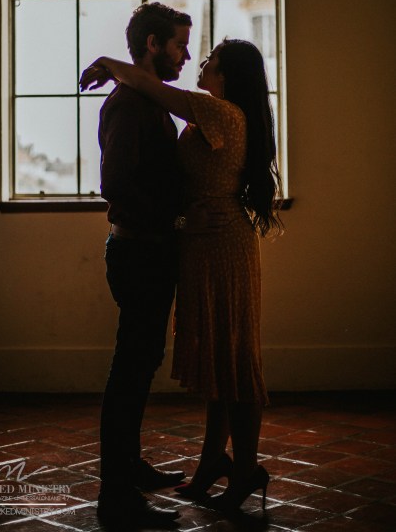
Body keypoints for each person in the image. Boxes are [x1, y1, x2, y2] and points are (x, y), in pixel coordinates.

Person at [80, 37, 283, 515]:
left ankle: (246, 468)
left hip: (221, 243)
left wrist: (108, 63)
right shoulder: (211, 112)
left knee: (233, 356)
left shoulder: (220, 112)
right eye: (189, 48)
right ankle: (212, 461)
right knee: (218, 357)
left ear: (226, 75)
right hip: (203, 242)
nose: (197, 61)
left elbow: (151, 85)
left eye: (210, 59)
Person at [84, 2, 192, 529]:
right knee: (130, 369)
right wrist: (172, 221)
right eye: (179, 45)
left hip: (149, 250)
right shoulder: (129, 105)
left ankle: (128, 465)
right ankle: (116, 493)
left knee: (141, 362)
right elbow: (116, 184)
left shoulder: (146, 98)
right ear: (152, 44)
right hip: (140, 252)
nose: (185, 56)